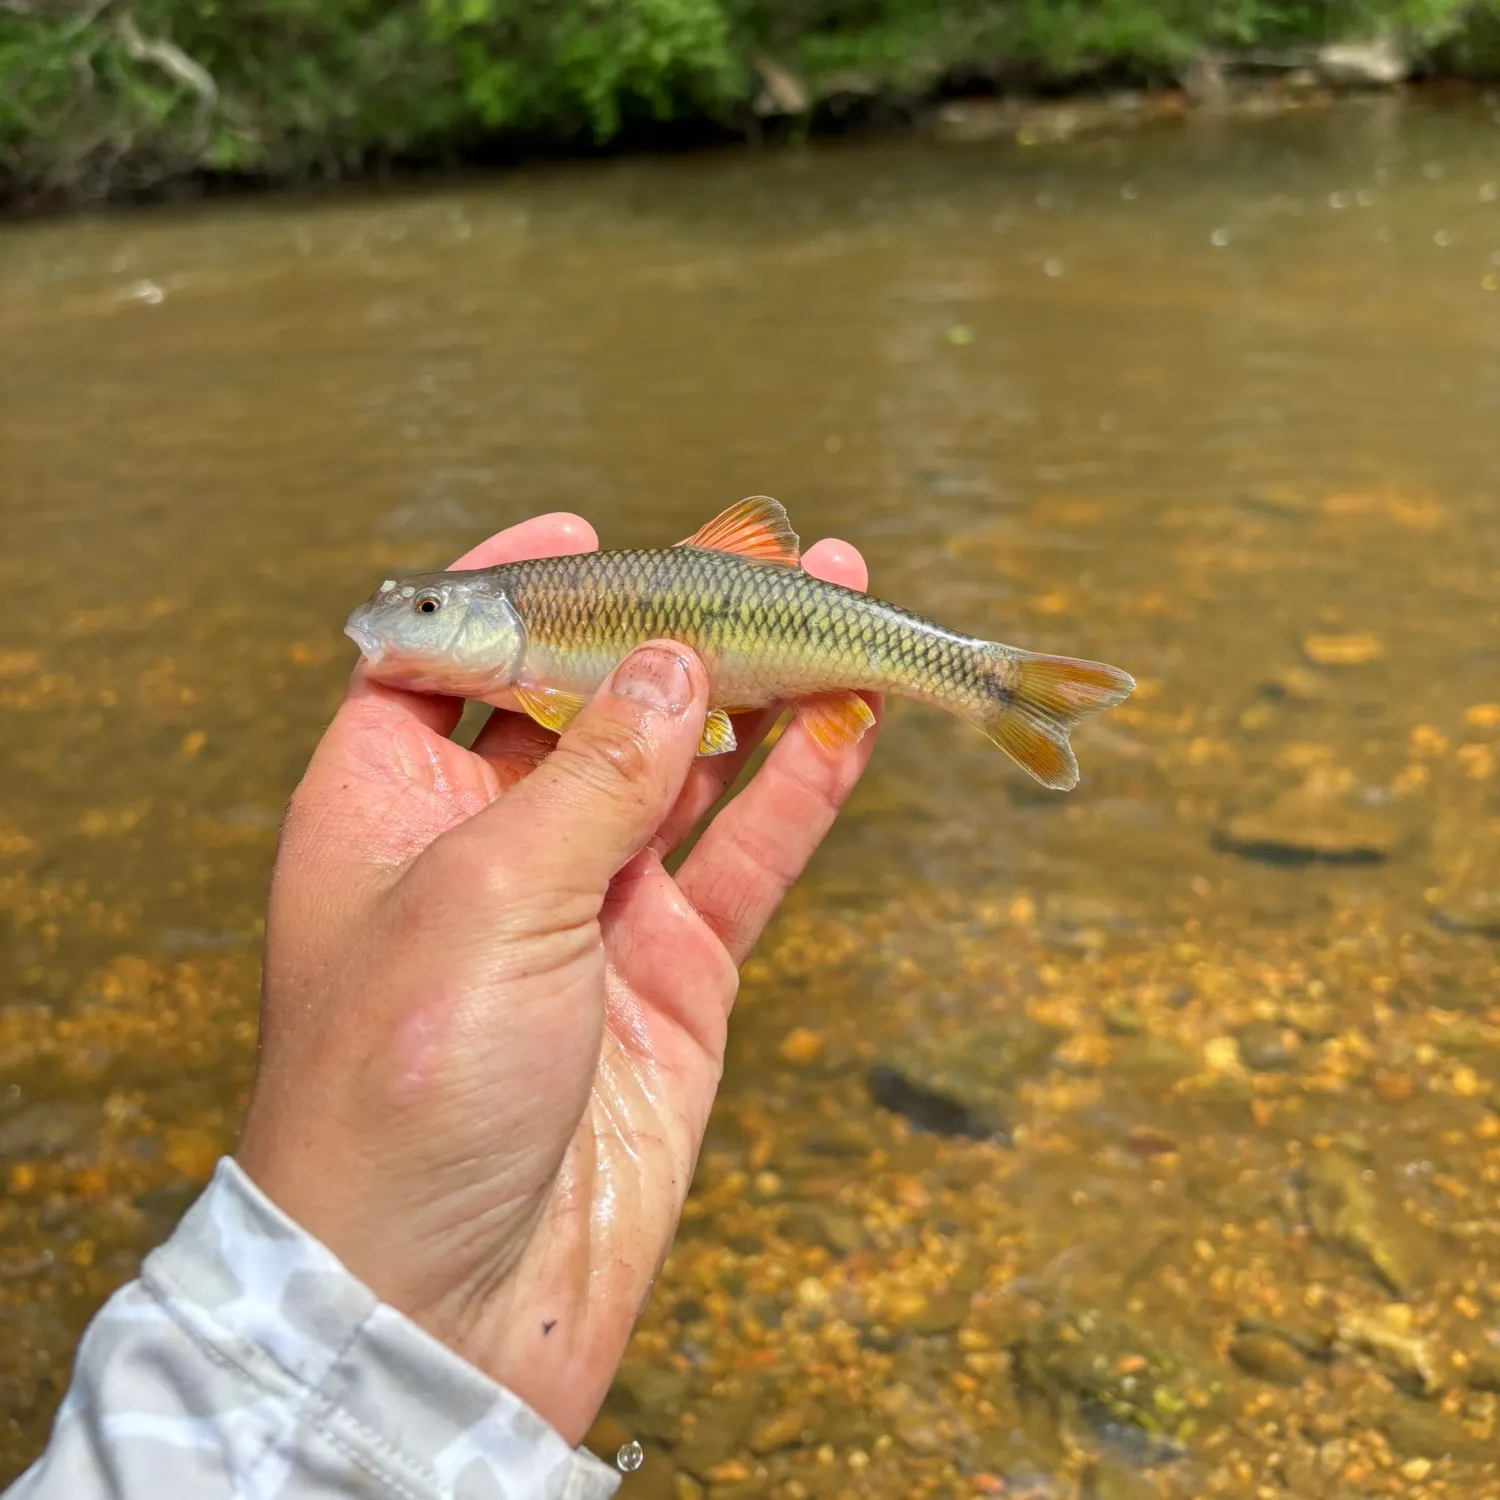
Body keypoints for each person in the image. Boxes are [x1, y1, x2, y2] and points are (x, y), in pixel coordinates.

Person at [6, 513, 878, 1500]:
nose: (389, 626)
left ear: (489, 622)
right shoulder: (526, 662)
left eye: (423, 611)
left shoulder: (545, 637)